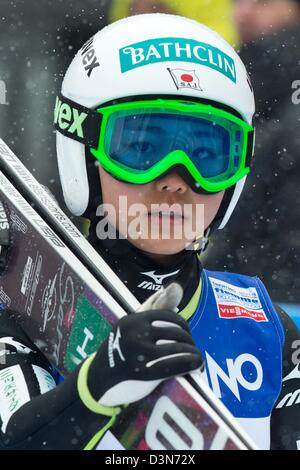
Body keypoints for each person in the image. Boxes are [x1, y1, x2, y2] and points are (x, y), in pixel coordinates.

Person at [0, 13, 299, 450]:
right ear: (83, 151)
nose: (176, 180)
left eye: (208, 154)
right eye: (141, 148)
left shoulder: (269, 333)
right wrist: (98, 385)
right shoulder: (27, 311)